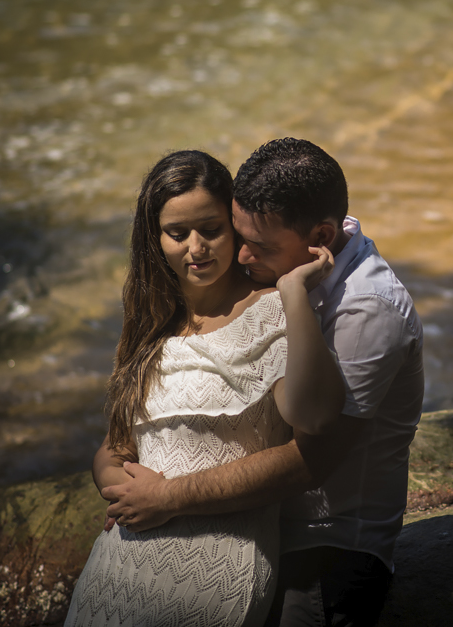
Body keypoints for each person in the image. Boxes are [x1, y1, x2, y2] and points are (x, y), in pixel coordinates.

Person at [100, 138, 425, 627]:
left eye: (260, 246)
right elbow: (118, 440)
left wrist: (166, 498)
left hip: (325, 542)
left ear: (322, 235)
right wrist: (119, 486)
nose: (244, 256)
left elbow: (309, 459)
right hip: (253, 525)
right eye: (240, 233)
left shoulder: (366, 309)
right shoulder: (179, 308)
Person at [64, 150, 346, 627]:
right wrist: (120, 488)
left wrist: (295, 294)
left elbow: (317, 421)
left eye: (211, 229)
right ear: (155, 240)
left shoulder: (274, 312)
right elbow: (117, 447)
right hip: (119, 563)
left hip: (216, 565)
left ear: (234, 226)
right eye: (177, 234)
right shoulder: (151, 324)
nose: (196, 247)